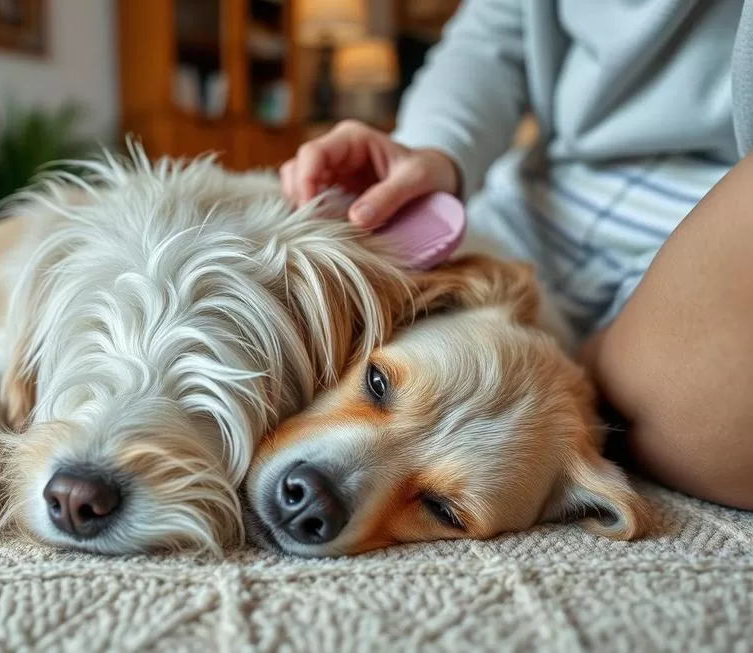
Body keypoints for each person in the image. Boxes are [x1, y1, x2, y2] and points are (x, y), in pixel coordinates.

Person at [280, 0, 753, 510]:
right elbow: (497, 26)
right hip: (529, 203)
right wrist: (434, 150)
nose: (317, 501)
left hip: (711, 246)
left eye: (443, 508)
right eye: (376, 384)